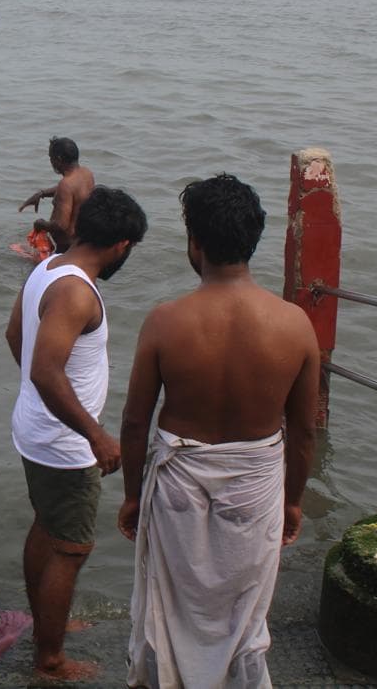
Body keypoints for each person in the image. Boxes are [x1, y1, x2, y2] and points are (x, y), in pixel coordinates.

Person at [118, 173, 320, 689]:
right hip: (256, 488)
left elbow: (136, 421)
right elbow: (303, 433)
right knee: (244, 618)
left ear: (195, 241)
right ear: (253, 239)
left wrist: (133, 496)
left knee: (167, 614)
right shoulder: (295, 325)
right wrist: (294, 501)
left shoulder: (165, 321)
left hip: (177, 488)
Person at [4, 186, 148, 682]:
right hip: (65, 445)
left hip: (37, 429)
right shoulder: (77, 292)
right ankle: (51, 660)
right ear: (121, 245)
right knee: (71, 548)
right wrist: (95, 435)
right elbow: (46, 370)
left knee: (48, 527)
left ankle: (47, 623)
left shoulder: (48, 268)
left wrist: (36, 395)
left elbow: (15, 337)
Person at [18, 137, 96, 253]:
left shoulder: (65, 184)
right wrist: (42, 194)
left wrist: (40, 224)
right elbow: (73, 189)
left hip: (65, 249)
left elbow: (61, 225)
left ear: (58, 159)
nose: (51, 162)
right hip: (80, 243)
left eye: (51, 158)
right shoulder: (86, 173)